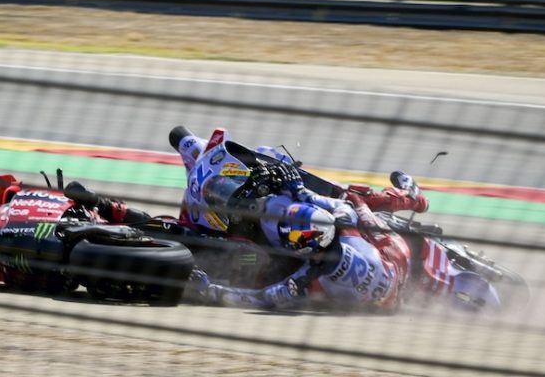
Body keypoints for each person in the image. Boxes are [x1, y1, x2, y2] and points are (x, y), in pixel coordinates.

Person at [169, 126, 429, 312]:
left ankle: (410, 198)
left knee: (256, 267)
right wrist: (297, 188)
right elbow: (344, 204)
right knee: (352, 198)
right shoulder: (344, 221)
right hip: (386, 254)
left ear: (305, 252)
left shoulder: (303, 281)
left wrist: (210, 290)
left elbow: (259, 298)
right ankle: (414, 198)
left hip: (385, 280)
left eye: (286, 231)